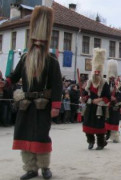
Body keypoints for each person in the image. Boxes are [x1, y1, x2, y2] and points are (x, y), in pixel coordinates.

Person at [5, 6, 62, 179]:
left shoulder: (51, 61)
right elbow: (13, 77)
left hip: (42, 106)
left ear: (45, 42)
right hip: (25, 105)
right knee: (22, 134)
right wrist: (4, 82)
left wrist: (56, 106)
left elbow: (57, 85)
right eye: (34, 41)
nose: (37, 44)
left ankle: (44, 167)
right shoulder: (24, 59)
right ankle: (30, 168)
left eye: (40, 42)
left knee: (41, 135)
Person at [82, 48, 109, 150]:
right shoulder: (89, 83)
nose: (96, 75)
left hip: (99, 108)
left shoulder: (104, 83)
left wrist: (100, 99)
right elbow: (85, 94)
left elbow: (108, 97)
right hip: (90, 107)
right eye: (95, 73)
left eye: (98, 73)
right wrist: (84, 98)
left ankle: (101, 143)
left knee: (99, 127)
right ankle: (90, 141)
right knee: (87, 126)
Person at [105, 59, 121, 143]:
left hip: (115, 106)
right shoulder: (105, 83)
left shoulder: (118, 84)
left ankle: (115, 136)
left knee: (115, 121)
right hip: (107, 105)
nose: (112, 78)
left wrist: (116, 99)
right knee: (107, 121)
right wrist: (109, 98)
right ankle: (107, 134)